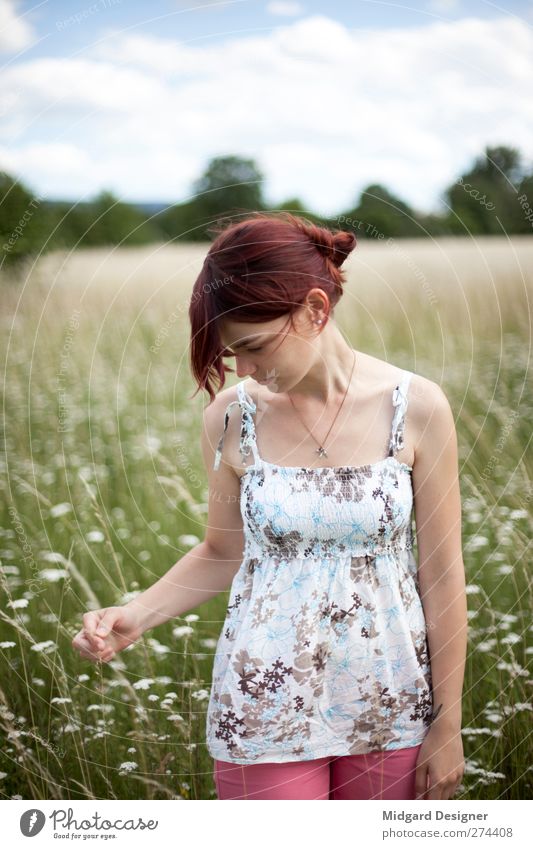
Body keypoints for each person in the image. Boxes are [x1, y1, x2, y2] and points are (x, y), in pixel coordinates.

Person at [72, 212, 467, 801]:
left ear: (315, 309)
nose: (246, 369)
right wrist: (137, 615)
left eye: (253, 346)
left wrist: (448, 722)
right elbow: (222, 552)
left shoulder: (418, 409)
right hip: (263, 703)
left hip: (391, 697)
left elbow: (442, 574)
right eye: (234, 354)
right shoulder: (231, 418)